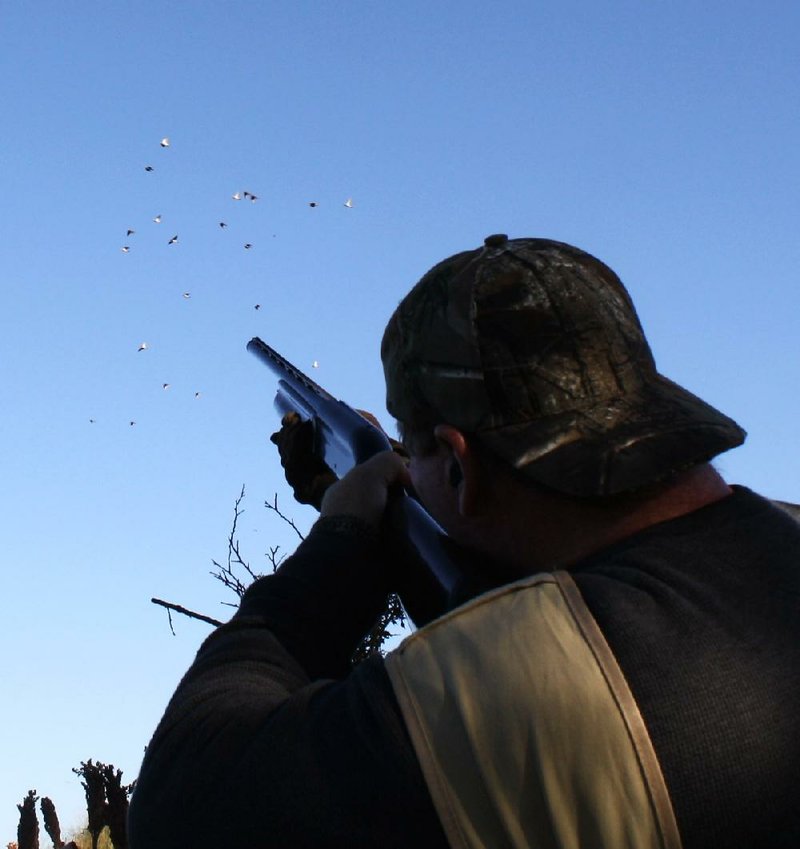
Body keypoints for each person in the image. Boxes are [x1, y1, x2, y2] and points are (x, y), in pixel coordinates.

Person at [128, 235, 800, 849]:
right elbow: (533, 605)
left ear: (456, 463)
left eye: (412, 453)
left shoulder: (552, 688)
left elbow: (185, 806)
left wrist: (342, 540)